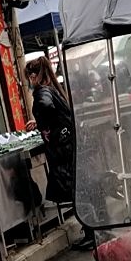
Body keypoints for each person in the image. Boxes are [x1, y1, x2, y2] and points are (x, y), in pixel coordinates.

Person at [26, 56, 94, 250]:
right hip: (69, 145)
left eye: (29, 77)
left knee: (75, 191)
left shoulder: (42, 91)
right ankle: (92, 229)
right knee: (80, 188)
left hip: (62, 149)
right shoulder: (54, 88)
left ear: (33, 76)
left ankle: (90, 232)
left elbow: (45, 106)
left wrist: (45, 127)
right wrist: (40, 124)